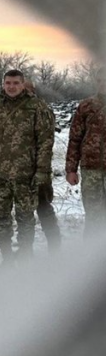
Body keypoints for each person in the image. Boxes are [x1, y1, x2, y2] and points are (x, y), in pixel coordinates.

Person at [0, 70, 54, 269]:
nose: (11, 87)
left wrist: (41, 171)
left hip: (26, 174)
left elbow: (45, 141)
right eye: (8, 83)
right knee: (1, 218)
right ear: (3, 83)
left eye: (16, 83)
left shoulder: (36, 107)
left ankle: (26, 256)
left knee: (25, 218)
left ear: (22, 84)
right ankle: (7, 257)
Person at [65, 69, 106, 237]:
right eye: (101, 81)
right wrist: (71, 169)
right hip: (91, 169)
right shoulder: (86, 106)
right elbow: (75, 138)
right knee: (94, 214)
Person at [24, 79, 61, 252]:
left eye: (27, 89)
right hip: (17, 171)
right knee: (23, 213)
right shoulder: (12, 110)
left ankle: (54, 246)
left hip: (39, 169)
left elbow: (46, 143)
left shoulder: (42, 109)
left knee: (43, 207)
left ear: (33, 90)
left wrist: (41, 170)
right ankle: (25, 250)